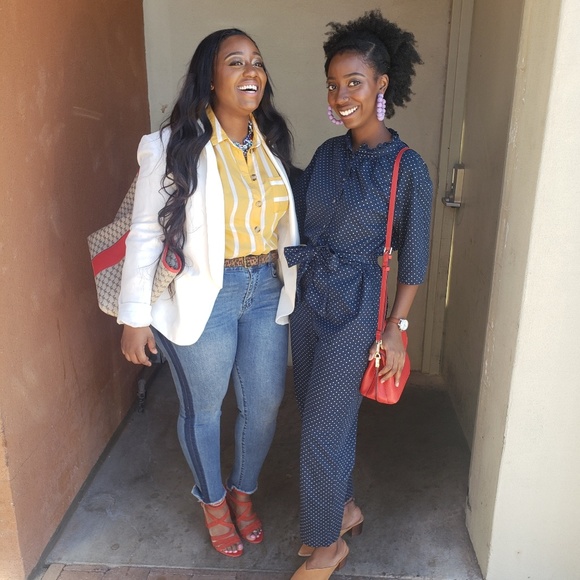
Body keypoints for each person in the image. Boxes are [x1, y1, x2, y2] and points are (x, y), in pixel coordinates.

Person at [117, 28, 299, 558]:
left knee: (264, 404)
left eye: (257, 62)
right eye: (236, 62)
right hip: (206, 292)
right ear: (210, 78)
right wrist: (134, 316)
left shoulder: (269, 143)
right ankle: (214, 502)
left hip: (264, 289)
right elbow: (145, 232)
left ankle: (243, 492)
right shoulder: (172, 145)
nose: (251, 71)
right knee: (205, 409)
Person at [285, 10, 433, 579]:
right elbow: (297, 212)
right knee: (319, 415)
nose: (342, 95)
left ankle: (328, 546)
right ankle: (342, 509)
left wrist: (395, 328)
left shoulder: (407, 168)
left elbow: (414, 261)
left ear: (381, 85)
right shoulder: (326, 154)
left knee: (322, 429)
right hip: (310, 302)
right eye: (333, 84)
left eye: (354, 82)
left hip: (357, 310)